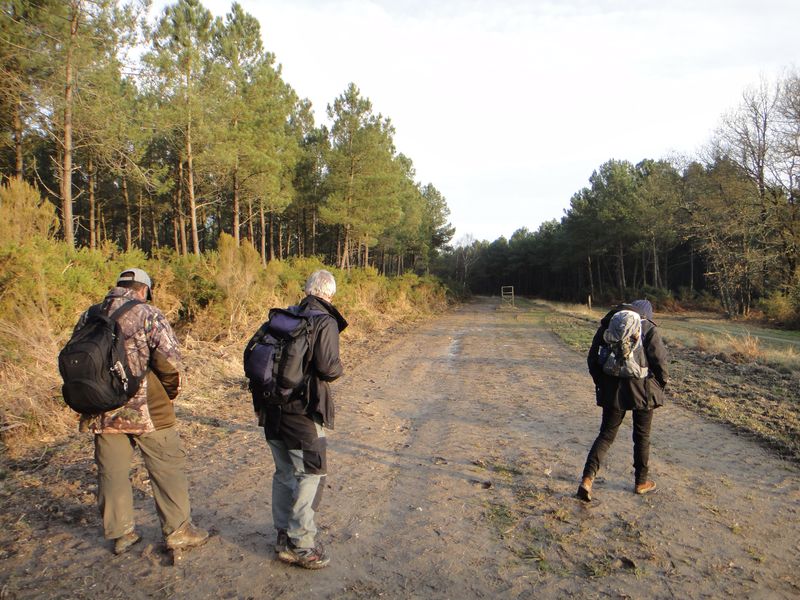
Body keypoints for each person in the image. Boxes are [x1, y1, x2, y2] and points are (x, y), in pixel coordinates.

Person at [74, 268, 208, 555]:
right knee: (167, 465)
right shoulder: (148, 313)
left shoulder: (90, 314)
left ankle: (121, 533)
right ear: (144, 290)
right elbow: (169, 361)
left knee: (112, 470)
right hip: (145, 407)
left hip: (100, 407)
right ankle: (178, 530)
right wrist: (169, 394)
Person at [260, 270, 347, 570]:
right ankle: (302, 544)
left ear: (307, 289)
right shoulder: (325, 320)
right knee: (312, 473)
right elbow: (329, 368)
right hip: (302, 412)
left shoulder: (284, 317)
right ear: (329, 295)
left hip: (271, 409)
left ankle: (283, 536)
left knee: (284, 472)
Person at [577, 299, 669, 502]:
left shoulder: (608, 325)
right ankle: (641, 482)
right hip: (643, 391)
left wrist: (601, 381)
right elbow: (660, 362)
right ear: (646, 314)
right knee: (641, 436)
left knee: (606, 435)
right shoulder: (649, 329)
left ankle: (587, 479)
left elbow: (592, 359)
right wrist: (660, 385)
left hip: (612, 390)